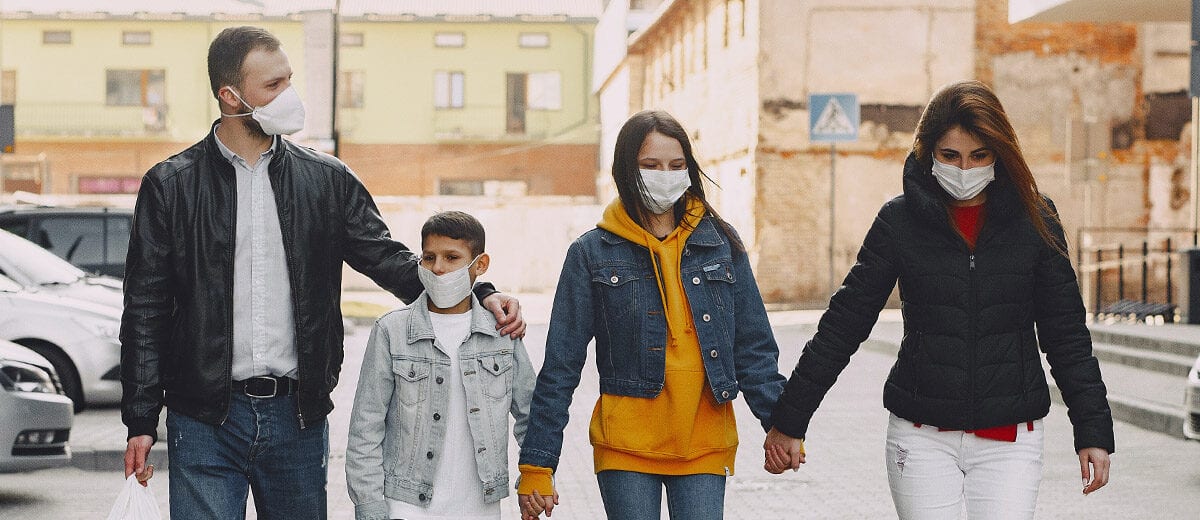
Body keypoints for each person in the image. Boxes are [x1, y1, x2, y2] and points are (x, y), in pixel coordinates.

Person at [119, 26, 524, 519]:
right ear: (229, 96)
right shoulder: (171, 186)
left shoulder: (326, 181)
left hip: (297, 418)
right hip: (204, 419)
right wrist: (140, 418)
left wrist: (478, 291)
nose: (288, 96)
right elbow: (146, 307)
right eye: (272, 86)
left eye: (288, 81)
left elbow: (389, 260)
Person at [763, 80, 1114, 519]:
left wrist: (1093, 431)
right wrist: (790, 421)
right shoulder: (899, 221)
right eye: (950, 156)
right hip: (920, 437)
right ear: (928, 153)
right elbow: (844, 323)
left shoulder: (1036, 219)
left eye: (979, 156)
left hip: (1010, 439)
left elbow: (1066, 335)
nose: (964, 169)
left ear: (999, 156)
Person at [515, 110, 786, 520]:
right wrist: (538, 464)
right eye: (651, 165)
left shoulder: (721, 244)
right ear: (627, 169)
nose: (666, 175)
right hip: (625, 447)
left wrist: (781, 425)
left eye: (677, 166)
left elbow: (754, 349)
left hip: (704, 442)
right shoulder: (591, 253)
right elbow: (561, 367)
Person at [346, 210, 535, 520]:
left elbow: (531, 414)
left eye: (451, 257)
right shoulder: (391, 331)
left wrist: (534, 476)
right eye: (429, 258)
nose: (438, 268)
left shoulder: (502, 333)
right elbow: (366, 426)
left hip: (480, 506)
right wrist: (368, 504)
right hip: (405, 505)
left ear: (480, 265)